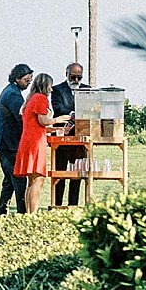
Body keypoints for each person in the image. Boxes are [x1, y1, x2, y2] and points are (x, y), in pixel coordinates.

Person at [15, 72, 57, 212]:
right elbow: (43, 121)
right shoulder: (41, 98)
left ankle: (29, 213)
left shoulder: (31, 98)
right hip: (35, 144)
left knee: (31, 181)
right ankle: (33, 214)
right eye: (50, 86)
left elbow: (36, 125)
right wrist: (58, 120)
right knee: (38, 180)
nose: (51, 89)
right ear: (45, 85)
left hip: (28, 141)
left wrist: (53, 130)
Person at [0, 63, 32, 214]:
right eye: (26, 80)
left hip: (5, 143)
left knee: (9, 180)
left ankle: (2, 210)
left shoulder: (11, 91)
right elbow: (22, 117)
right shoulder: (13, 94)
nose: (28, 83)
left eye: (30, 80)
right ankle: (22, 211)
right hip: (9, 144)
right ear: (17, 78)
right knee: (18, 178)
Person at [51, 62, 88, 208]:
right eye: (73, 77)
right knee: (60, 174)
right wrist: (74, 113)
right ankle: (57, 205)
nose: (76, 81)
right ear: (66, 74)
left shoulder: (87, 90)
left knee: (77, 174)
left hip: (81, 139)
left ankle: (73, 205)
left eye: (79, 77)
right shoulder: (57, 90)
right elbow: (58, 108)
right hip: (62, 139)